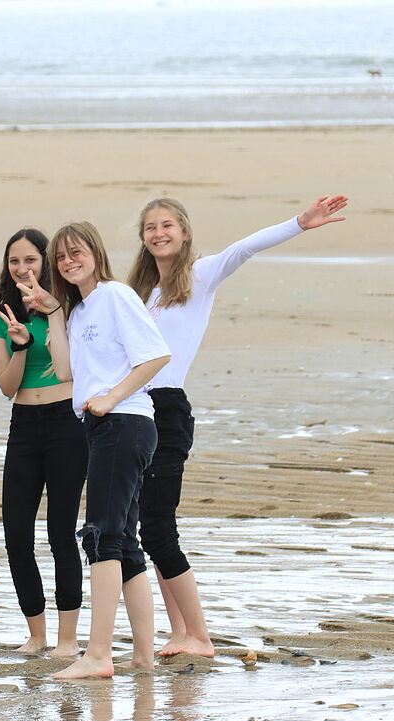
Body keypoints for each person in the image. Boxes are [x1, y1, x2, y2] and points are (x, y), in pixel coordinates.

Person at [125, 195, 349, 658]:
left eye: (167, 225)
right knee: (148, 529)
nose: (159, 233)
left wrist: (299, 223)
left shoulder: (200, 275)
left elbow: (243, 249)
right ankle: (180, 632)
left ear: (184, 233)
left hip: (166, 410)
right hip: (134, 410)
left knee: (159, 527)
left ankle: (200, 636)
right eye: (150, 227)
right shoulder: (139, 295)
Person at [19, 221, 171, 679]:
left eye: (76, 252)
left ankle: (99, 654)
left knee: (102, 536)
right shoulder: (80, 309)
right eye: (60, 258)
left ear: (95, 252)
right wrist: (53, 314)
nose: (68, 262)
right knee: (124, 544)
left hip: (124, 423)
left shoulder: (115, 295)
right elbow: (65, 372)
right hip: (105, 428)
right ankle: (142, 655)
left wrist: (112, 397)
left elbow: (156, 354)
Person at [0, 228, 86, 657]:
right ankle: (37, 633)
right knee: (16, 533)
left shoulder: (68, 306)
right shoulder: (1, 314)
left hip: (68, 421)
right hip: (24, 421)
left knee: (61, 532)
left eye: (30, 259)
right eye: (14, 261)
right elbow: (7, 386)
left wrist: (50, 316)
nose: (22, 268)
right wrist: (21, 345)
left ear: (46, 262)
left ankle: (67, 639)